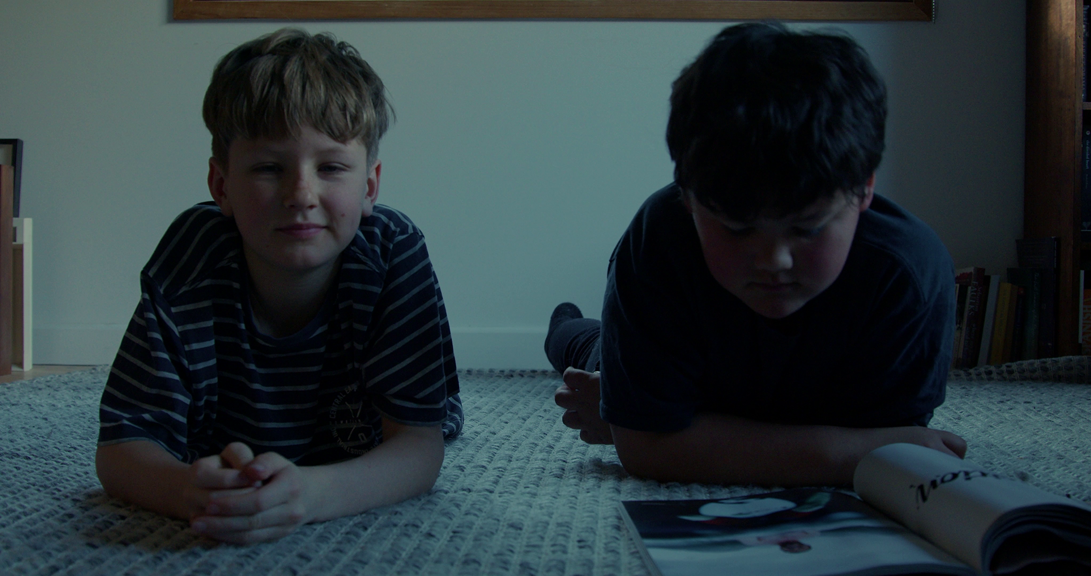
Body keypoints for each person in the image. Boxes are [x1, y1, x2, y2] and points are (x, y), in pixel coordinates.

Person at [545, 22, 965, 488]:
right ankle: (564, 328)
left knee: (624, 398)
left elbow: (888, 439)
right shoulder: (660, 239)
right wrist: (641, 430)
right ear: (687, 199)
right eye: (738, 230)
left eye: (807, 228)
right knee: (590, 352)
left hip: (717, 390)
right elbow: (647, 451)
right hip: (684, 360)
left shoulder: (907, 273)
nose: (774, 261)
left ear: (864, 190)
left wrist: (659, 431)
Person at [95, 28, 462, 544]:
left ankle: (566, 332)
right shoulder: (190, 257)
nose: (301, 194)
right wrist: (187, 490)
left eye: (331, 167)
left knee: (520, 372)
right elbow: (120, 449)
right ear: (221, 186)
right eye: (269, 168)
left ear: (369, 187)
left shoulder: (393, 251)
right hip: (232, 437)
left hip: (371, 427)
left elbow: (419, 448)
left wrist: (308, 495)